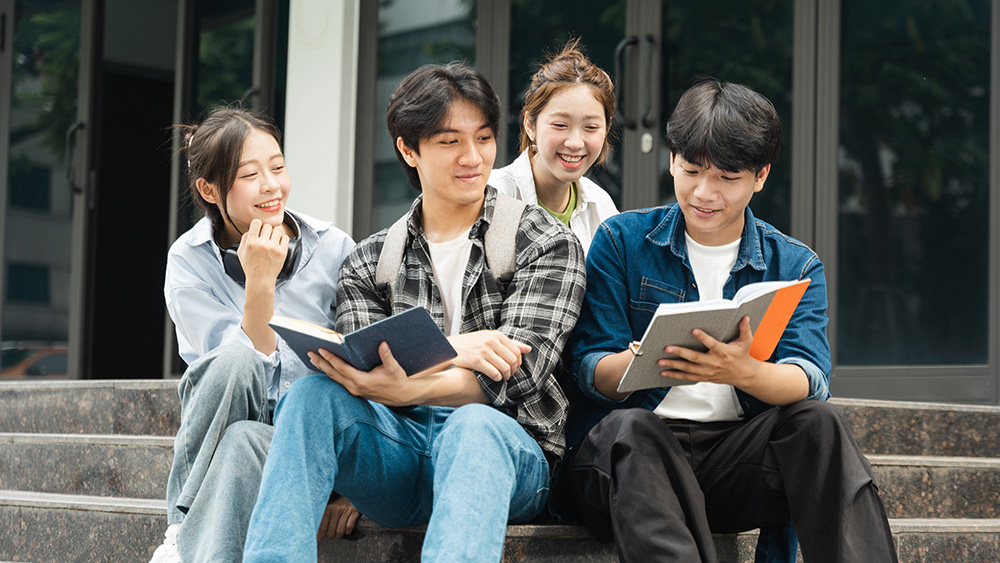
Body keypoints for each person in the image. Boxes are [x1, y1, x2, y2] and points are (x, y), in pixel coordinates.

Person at [241, 62, 586, 562]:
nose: (473, 157)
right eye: (450, 142)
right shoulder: (369, 261)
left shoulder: (545, 241)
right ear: (408, 150)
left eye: (484, 138)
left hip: (508, 455)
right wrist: (460, 349)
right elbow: (365, 369)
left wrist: (410, 387)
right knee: (310, 397)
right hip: (400, 451)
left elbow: (519, 374)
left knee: (472, 426)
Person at [558, 79, 898, 562]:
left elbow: (810, 379)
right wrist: (639, 363)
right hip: (628, 464)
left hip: (731, 463)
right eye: (691, 170)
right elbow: (588, 367)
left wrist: (743, 372)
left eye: (727, 177)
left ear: (760, 176)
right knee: (632, 428)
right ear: (672, 159)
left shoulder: (794, 265)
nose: (704, 192)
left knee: (820, 424)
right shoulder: (622, 241)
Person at [149, 107, 357, 563]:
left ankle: (186, 535)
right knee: (235, 369)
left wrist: (357, 492)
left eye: (277, 167)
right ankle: (182, 529)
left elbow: (364, 364)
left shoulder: (335, 248)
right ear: (209, 190)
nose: (271, 185)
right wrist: (260, 282)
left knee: (245, 440)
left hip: (314, 437)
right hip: (239, 432)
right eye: (249, 175)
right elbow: (238, 372)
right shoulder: (188, 260)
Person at [489, 38, 618, 254]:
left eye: (591, 127)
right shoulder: (492, 196)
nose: (575, 143)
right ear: (530, 125)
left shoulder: (602, 208)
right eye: (560, 125)